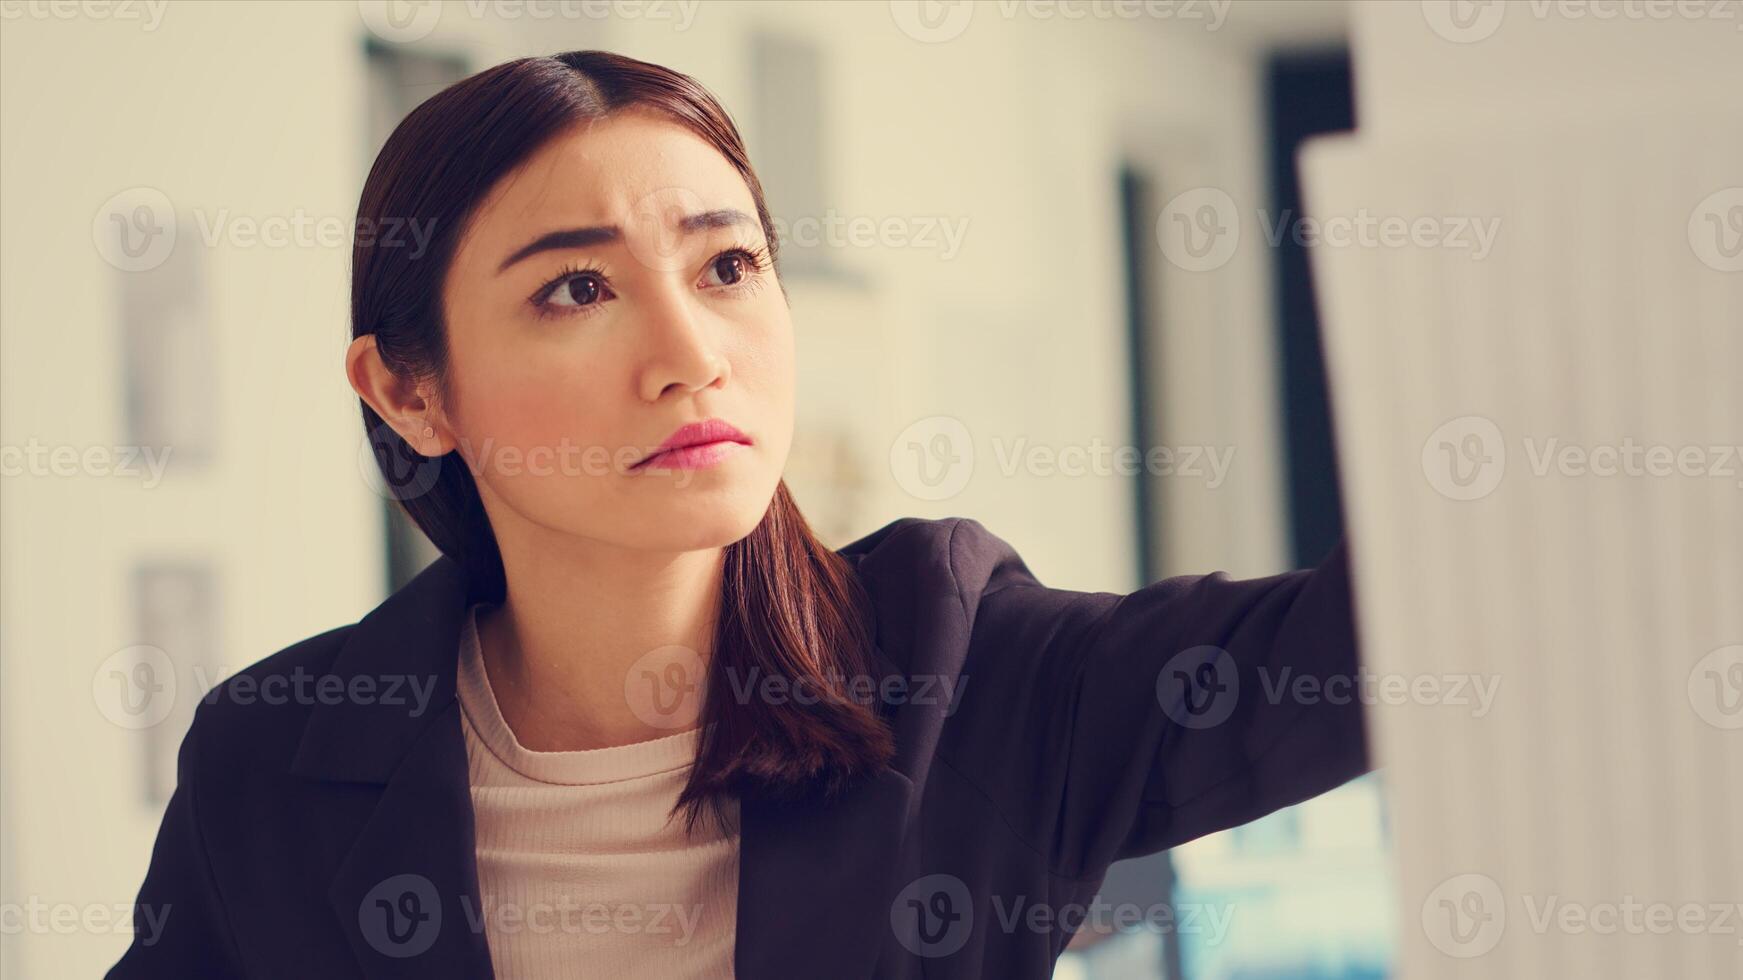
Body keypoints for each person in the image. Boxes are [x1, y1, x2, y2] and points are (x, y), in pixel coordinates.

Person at [107, 50, 1370, 980]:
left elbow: (1389, 640)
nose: (690, 353)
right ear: (409, 389)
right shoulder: (272, 763)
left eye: (728, 265)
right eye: (578, 287)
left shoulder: (967, 666)